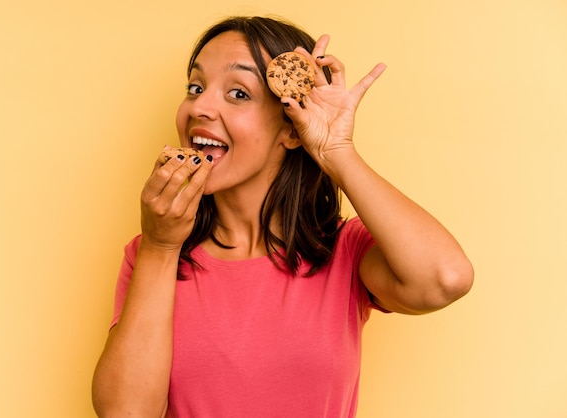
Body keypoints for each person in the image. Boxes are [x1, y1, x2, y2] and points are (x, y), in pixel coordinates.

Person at [92, 15, 474, 418]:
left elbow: (445, 278)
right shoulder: (153, 254)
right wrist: (160, 245)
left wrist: (336, 150)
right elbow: (125, 413)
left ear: (292, 129)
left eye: (238, 93)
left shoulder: (344, 252)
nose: (199, 106)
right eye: (195, 87)